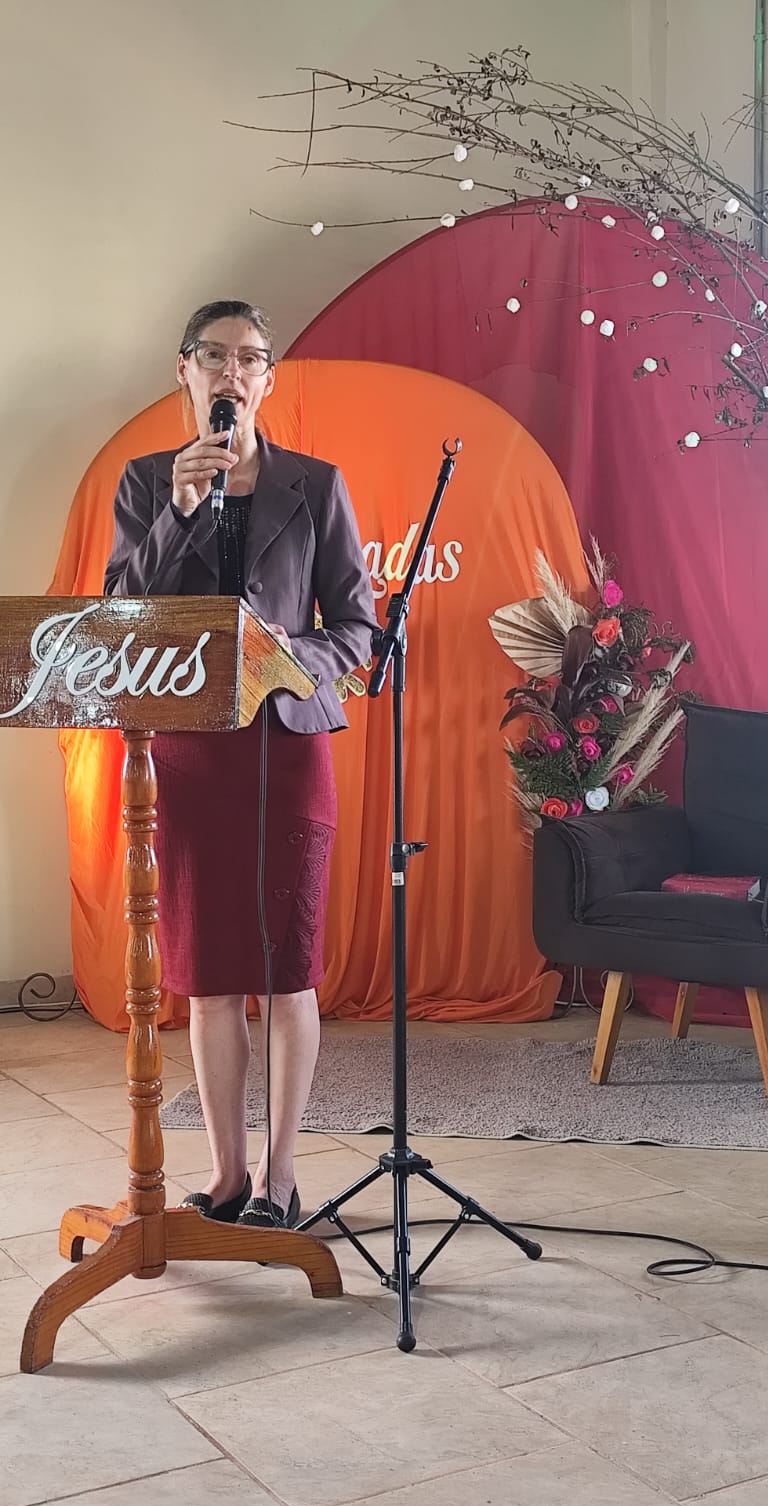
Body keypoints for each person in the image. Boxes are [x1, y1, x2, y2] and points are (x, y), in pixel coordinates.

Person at [104, 299, 376, 1229]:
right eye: (214, 355)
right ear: (184, 370)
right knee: (211, 973)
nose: (232, 372)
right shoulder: (145, 483)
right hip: (187, 759)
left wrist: (295, 658)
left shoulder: (316, 485)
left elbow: (357, 624)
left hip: (287, 745)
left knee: (286, 969)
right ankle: (226, 1179)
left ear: (267, 378)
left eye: (250, 358)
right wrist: (179, 510)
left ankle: (279, 1178)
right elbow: (122, 613)